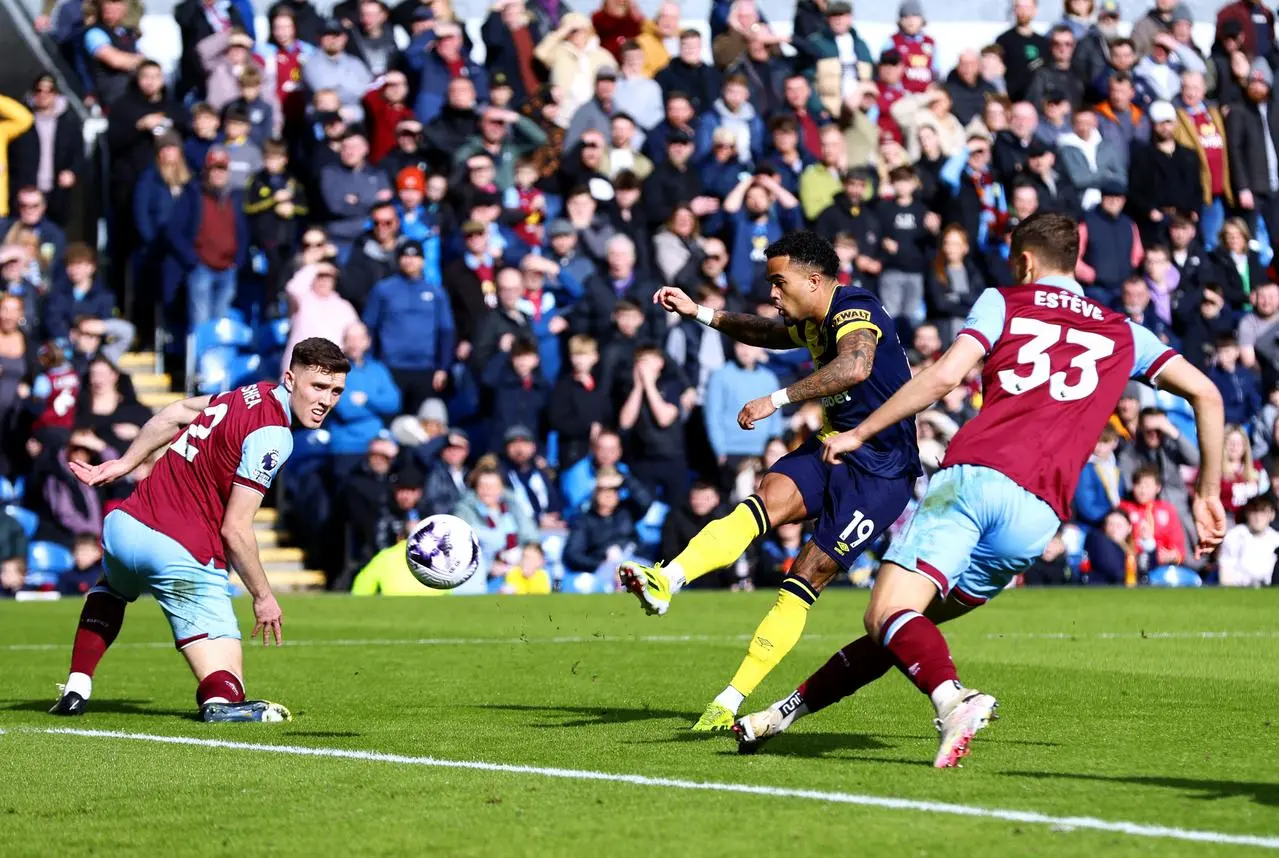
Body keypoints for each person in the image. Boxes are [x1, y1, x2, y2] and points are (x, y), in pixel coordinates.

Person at [736, 212, 1226, 766]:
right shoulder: (1123, 332)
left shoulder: (1004, 301)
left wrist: (861, 431)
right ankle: (783, 713)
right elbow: (1207, 394)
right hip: (1039, 516)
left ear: (1025, 261)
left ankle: (954, 700)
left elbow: (944, 378)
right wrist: (1208, 491)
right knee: (902, 630)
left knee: (889, 614)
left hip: (977, 479)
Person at [618, 231, 920, 731]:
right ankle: (667, 580)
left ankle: (729, 700)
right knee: (761, 502)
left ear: (815, 280)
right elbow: (765, 332)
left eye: (779, 283)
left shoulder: (854, 311)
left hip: (882, 471)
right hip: (832, 447)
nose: (773, 294)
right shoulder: (811, 321)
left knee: (805, 575)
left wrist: (775, 400)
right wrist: (700, 313)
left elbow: (857, 364)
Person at [49, 338, 350, 722]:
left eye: (336, 390)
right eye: (318, 387)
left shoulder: (249, 393)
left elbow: (175, 413)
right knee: (226, 688)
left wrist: (124, 463)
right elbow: (235, 529)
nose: (326, 399)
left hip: (125, 528)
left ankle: (77, 685)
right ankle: (223, 706)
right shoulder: (275, 434)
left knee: (113, 588)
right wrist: (263, 596)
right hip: (181, 551)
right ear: (291, 379)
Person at [1218, 495, 1279, 586]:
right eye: (1254, 512)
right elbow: (1225, 572)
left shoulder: (1276, 539)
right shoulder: (1233, 536)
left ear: (1271, 515)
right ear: (1247, 513)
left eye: (1262, 512)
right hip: (1239, 590)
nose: (1258, 517)